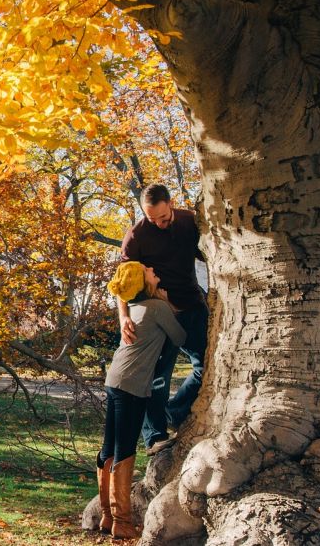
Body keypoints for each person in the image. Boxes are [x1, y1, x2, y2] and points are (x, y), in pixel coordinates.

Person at [96, 261, 186, 538]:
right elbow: (180, 337)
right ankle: (122, 522)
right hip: (132, 384)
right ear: (142, 280)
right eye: (147, 270)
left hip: (115, 379)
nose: (153, 269)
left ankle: (107, 517)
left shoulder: (134, 308)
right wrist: (168, 303)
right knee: (124, 450)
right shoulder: (156, 308)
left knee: (109, 447)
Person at [118, 184, 207, 453]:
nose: (158, 223)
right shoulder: (136, 236)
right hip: (157, 312)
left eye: (163, 218)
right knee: (155, 378)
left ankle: (174, 412)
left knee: (205, 368)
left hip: (191, 306)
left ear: (171, 204)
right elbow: (122, 283)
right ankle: (155, 435)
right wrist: (124, 318)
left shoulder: (190, 222)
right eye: (151, 218)